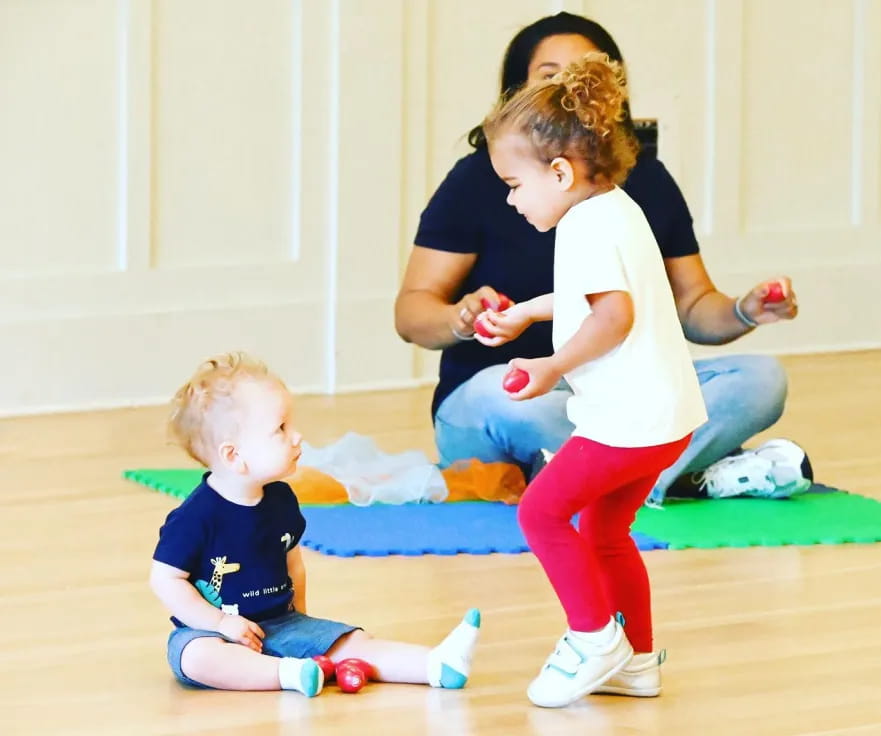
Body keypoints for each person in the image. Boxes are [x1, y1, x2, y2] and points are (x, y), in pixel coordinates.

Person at [394, 11, 813, 506]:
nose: (566, 92)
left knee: (760, 379)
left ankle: (610, 480)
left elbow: (690, 306)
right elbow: (412, 314)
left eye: (581, 78)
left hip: (612, 395)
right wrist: (461, 317)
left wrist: (746, 310)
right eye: (550, 77)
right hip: (513, 396)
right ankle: (671, 474)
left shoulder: (644, 184)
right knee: (503, 397)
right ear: (519, 92)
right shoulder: (477, 180)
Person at [478, 51, 706, 708]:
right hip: (662, 417)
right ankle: (635, 660)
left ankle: (592, 636)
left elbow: (613, 314)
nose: (511, 198)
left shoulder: (584, 225)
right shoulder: (612, 208)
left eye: (514, 184)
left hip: (628, 421)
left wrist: (551, 366)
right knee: (605, 533)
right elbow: (590, 295)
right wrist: (524, 313)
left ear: (559, 171)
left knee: (540, 510)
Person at [149, 352, 480, 696]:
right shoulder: (195, 517)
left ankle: (435, 664)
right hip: (215, 632)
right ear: (234, 455)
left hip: (281, 623)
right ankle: (288, 674)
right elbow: (165, 580)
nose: (297, 437)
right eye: (280, 429)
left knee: (353, 641)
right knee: (195, 656)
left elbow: (294, 566)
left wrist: (305, 626)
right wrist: (220, 623)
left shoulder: (281, 500)